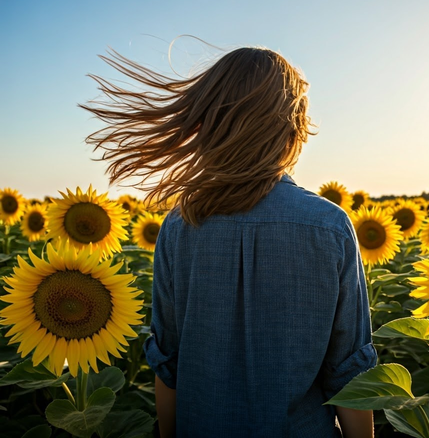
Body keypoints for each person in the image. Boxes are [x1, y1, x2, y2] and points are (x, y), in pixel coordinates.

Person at [82, 45, 377, 437]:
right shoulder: (328, 226)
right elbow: (349, 377)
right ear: (292, 129)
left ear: (210, 124)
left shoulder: (180, 225)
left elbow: (168, 366)